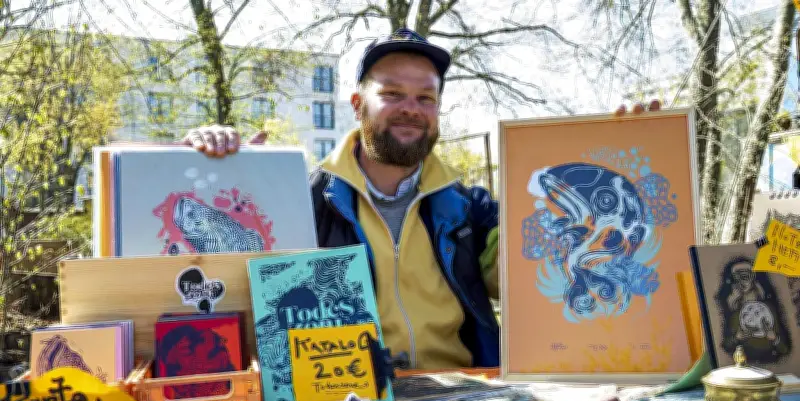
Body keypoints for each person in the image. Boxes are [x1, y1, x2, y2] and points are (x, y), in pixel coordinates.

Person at [180, 28, 662, 370]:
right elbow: (224, 294)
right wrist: (208, 171)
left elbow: (534, 275)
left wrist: (618, 148)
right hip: (348, 399)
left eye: (426, 98)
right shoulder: (302, 202)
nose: (411, 109)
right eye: (392, 94)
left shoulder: (472, 209)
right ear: (357, 105)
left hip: (467, 395)